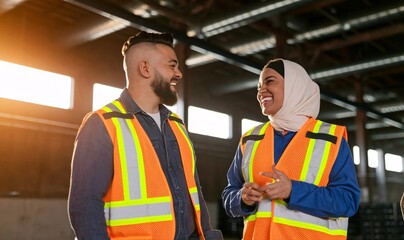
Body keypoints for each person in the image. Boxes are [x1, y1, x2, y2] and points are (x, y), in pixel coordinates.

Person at [68, 31, 223, 240]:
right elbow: (85, 205)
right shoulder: (102, 124)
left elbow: (195, 195)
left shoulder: (178, 126)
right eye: (172, 65)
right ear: (145, 68)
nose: (179, 73)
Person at [221, 58, 360, 240]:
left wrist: (293, 191)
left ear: (296, 86)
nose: (261, 91)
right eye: (258, 86)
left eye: (269, 81)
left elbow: (347, 201)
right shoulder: (250, 139)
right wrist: (242, 198)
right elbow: (228, 196)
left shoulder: (330, 139)